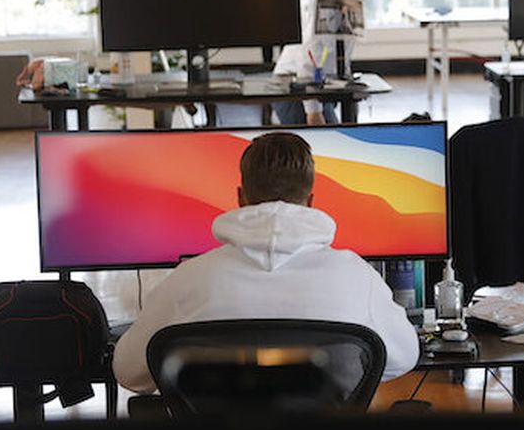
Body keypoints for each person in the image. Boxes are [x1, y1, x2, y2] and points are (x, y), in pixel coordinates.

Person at [110, 131, 419, 396]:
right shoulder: (355, 277)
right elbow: (404, 356)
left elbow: (128, 372)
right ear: (310, 201)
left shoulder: (188, 279)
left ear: (240, 198)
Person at [272, 0, 399, 125]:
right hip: (298, 86)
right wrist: (313, 110)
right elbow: (311, 48)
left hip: (318, 84)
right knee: (326, 147)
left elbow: (337, 43)